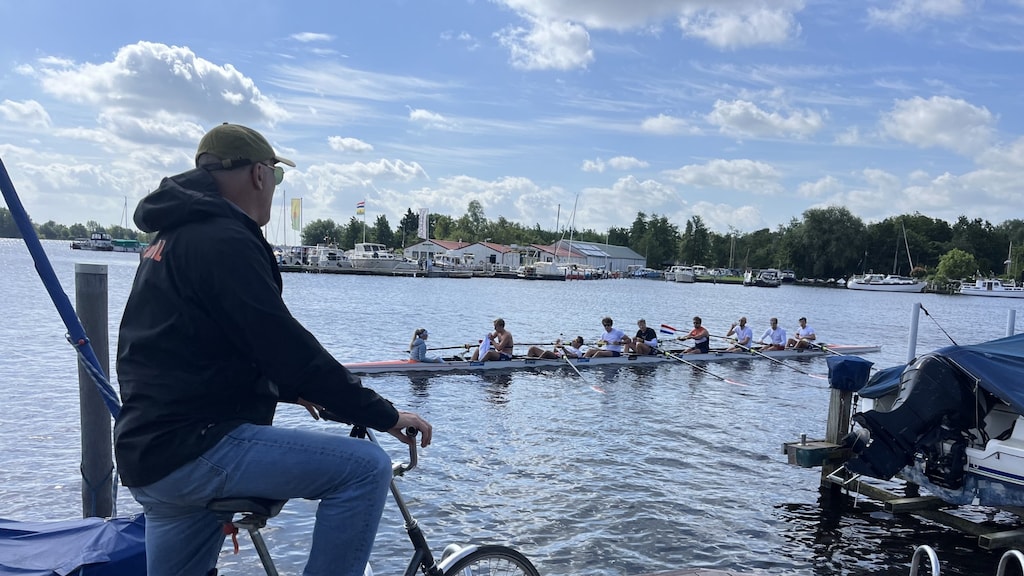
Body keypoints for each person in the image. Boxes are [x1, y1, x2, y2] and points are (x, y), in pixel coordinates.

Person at [113, 123, 433, 576]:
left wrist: (286, 389)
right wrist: (382, 414)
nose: (274, 189)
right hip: (198, 444)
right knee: (364, 468)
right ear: (259, 175)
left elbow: (193, 349)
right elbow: (286, 346)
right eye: (277, 179)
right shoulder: (223, 240)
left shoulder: (173, 235)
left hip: (149, 456)